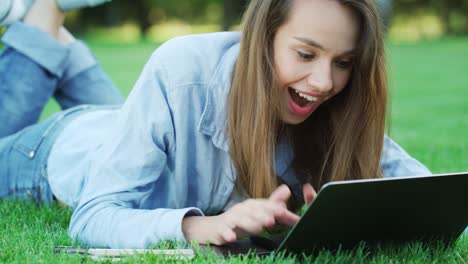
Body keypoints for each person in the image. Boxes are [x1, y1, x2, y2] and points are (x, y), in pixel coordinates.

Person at [0, 0, 431, 249]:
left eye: (343, 63)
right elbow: (93, 216)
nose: (323, 83)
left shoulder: (336, 104)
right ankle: (47, 13)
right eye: (305, 55)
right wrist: (198, 226)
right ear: (262, 40)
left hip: (122, 128)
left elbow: (427, 191)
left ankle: (58, 42)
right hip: (54, 152)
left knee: (120, 122)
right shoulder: (182, 70)